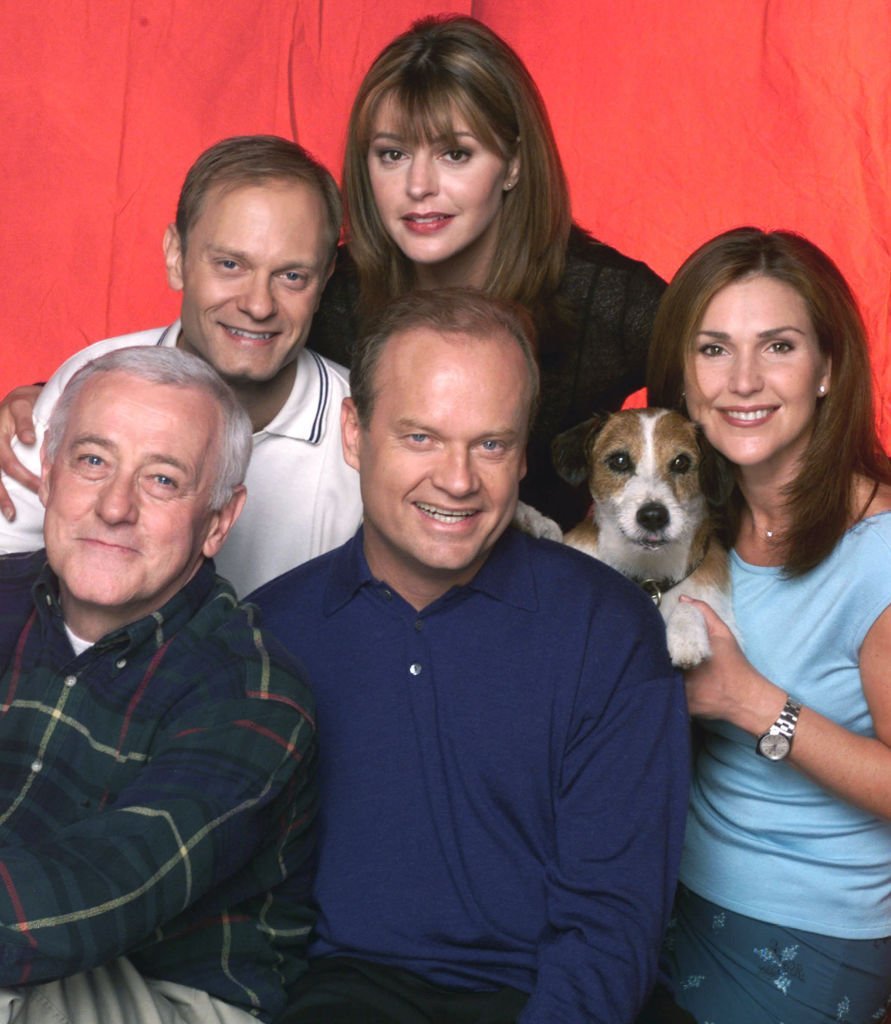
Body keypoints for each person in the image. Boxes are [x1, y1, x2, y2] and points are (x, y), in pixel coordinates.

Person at [249, 288, 691, 1023]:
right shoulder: (271, 630)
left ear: (522, 454)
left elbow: (612, 923)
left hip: (557, 998)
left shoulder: (607, 629)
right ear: (355, 434)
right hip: (340, 997)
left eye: (489, 444)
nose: (456, 480)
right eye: (420, 437)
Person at [0, 346, 316, 1023]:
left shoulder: (253, 690)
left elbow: (92, 896)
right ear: (49, 477)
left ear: (219, 522)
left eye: (163, 480)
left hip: (168, 996)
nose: (116, 506)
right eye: (92, 461)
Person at [646, 227, 891, 1022]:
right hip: (663, 895)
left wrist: (751, 703)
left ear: (827, 368)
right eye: (713, 349)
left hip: (804, 932)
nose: (742, 380)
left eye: (777, 345)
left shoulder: (879, 549)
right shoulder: (686, 521)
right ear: (684, 379)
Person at [307, 14, 666, 528]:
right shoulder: (329, 297)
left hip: (551, 598)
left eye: (456, 153)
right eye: (392, 154)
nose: (418, 185)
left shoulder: (608, 300)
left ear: (513, 163)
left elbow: (725, 427)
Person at [0, 135, 362, 595]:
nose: (257, 304)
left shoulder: (364, 429)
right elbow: (6, 563)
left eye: (292, 276)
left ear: (325, 278)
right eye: (230, 264)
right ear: (177, 257)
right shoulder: (91, 379)